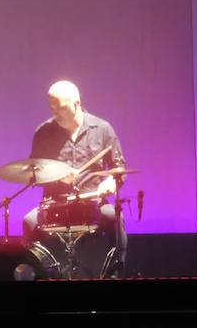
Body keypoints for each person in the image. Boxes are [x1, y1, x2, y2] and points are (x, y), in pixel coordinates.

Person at [22, 80, 128, 274]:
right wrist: (57, 177)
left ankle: (114, 275)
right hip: (55, 204)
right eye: (51, 106)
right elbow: (33, 173)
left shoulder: (102, 129)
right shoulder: (44, 132)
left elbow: (118, 169)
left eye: (60, 107)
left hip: (93, 203)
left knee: (116, 217)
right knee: (28, 222)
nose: (54, 112)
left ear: (77, 103)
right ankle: (39, 276)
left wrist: (110, 182)